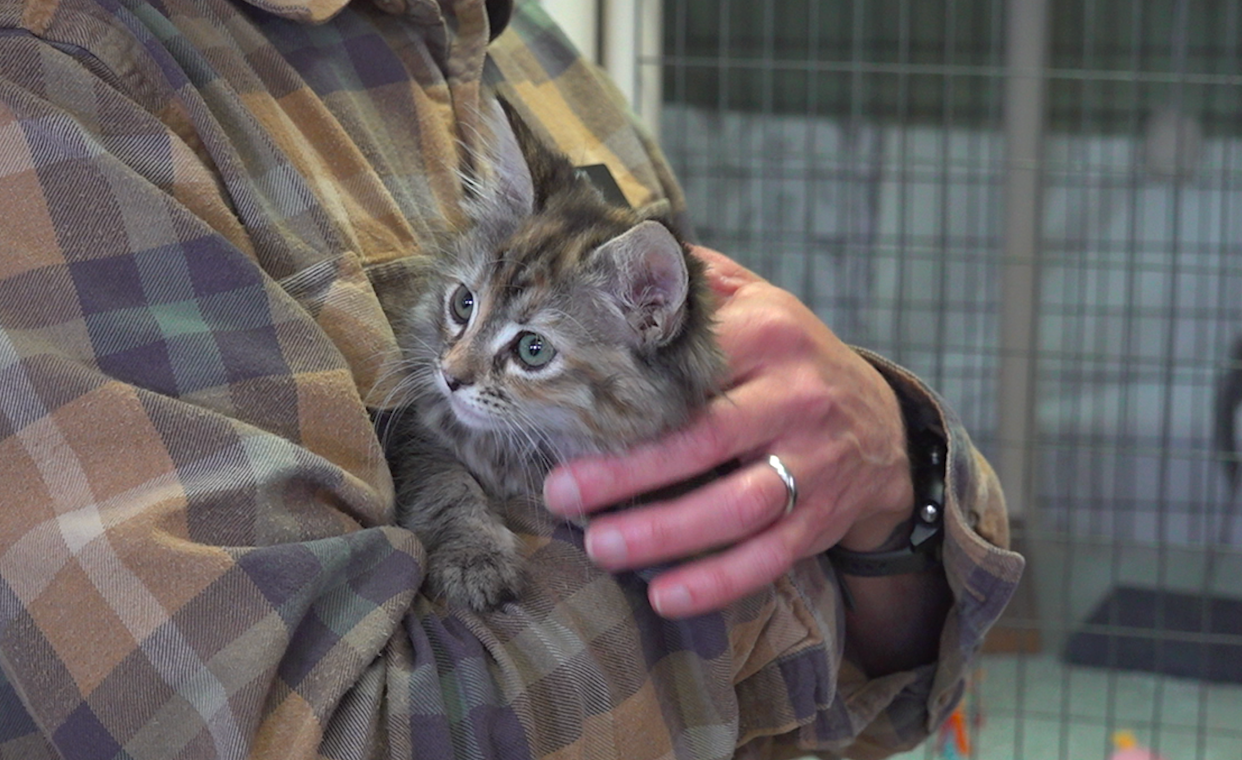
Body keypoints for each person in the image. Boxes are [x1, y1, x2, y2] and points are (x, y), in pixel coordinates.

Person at [0, 0, 1023, 757]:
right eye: (458, 322)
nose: (450, 367)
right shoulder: (62, 85)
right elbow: (339, 730)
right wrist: (778, 566)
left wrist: (891, 458)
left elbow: (901, 679)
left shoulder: (524, 47)